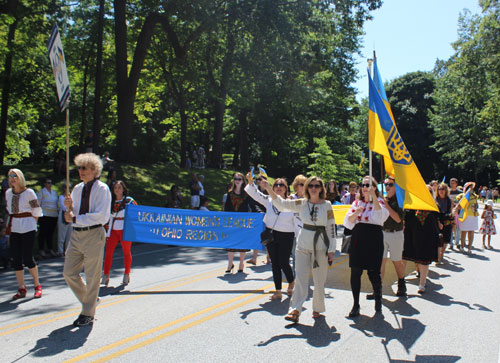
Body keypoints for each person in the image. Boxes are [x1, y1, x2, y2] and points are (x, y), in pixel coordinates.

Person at [263, 176, 336, 323]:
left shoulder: (327, 205)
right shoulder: (301, 203)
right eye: (311, 186)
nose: (313, 188)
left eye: (317, 186)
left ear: (321, 188)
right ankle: (295, 309)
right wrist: (268, 189)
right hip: (302, 245)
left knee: (319, 279)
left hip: (321, 246)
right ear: (307, 188)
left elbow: (332, 227)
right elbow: (282, 204)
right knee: (301, 278)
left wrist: (332, 249)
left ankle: (317, 308)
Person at [63, 153, 111, 327]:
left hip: (93, 234)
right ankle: (91, 299)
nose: (80, 171)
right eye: (79, 168)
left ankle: (87, 312)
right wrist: (68, 209)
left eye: (84, 168)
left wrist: (75, 218)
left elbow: (101, 216)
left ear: (94, 170)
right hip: (76, 235)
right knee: (68, 272)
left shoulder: (102, 189)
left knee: (92, 275)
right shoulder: (76, 189)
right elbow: (71, 214)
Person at [343, 176, 389, 317]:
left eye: (368, 185)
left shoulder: (380, 202)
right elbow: (348, 222)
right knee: (355, 271)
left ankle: (378, 299)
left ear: (374, 187)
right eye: (363, 185)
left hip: (373, 238)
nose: (364, 187)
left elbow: (380, 216)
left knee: (373, 272)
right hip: (359, 238)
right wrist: (356, 212)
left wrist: (373, 196)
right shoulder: (357, 203)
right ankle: (356, 304)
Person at [245, 173, 295, 300]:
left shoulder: (291, 202)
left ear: (286, 188)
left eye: (281, 185)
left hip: (286, 235)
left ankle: (291, 281)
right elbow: (255, 194)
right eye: (276, 185)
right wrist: (251, 182)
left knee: (284, 262)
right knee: (275, 264)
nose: (278, 187)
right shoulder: (268, 200)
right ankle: (278, 290)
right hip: (272, 235)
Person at [6, 169, 43, 300]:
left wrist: (33, 223)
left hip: (28, 226)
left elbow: (37, 210)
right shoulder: (8, 193)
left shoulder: (29, 193)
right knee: (16, 259)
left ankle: (37, 285)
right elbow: (10, 212)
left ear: (20, 178)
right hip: (15, 227)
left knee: (28, 257)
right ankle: (21, 287)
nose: (12, 179)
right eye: (10, 176)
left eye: (15, 176)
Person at [367, 177, 406, 299]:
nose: (387, 186)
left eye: (390, 184)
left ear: (396, 186)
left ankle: (401, 283)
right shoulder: (383, 199)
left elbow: (398, 218)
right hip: (383, 233)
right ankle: (377, 289)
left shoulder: (400, 201)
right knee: (381, 261)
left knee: (396, 261)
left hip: (396, 233)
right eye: (385, 184)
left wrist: (386, 204)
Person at [402, 186, 439, 294]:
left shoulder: (434, 206)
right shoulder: (412, 205)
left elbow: (441, 219)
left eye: (429, 192)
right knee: (404, 257)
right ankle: (401, 280)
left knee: (424, 260)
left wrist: (452, 214)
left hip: (428, 236)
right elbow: (406, 218)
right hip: (411, 235)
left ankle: (422, 284)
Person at [102, 180, 138, 286]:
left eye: (119, 188)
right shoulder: (110, 201)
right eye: (115, 188)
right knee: (108, 252)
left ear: (123, 189)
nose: (117, 190)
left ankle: (127, 273)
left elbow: (137, 212)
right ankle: (106, 275)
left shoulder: (129, 201)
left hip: (125, 229)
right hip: (112, 229)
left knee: (126, 251)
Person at [223, 172, 252, 273]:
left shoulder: (246, 194)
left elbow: (252, 206)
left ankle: (241, 263)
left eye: (239, 179)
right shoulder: (229, 194)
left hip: (243, 223)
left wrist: (259, 212)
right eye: (236, 179)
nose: (237, 181)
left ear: (243, 181)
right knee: (231, 244)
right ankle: (230, 264)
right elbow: (226, 208)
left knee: (242, 244)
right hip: (231, 222)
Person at [454, 182, 479, 254]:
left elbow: (476, 204)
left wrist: (476, 207)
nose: (471, 189)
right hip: (464, 215)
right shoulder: (461, 196)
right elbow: (458, 205)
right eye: (470, 187)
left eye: (472, 187)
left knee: (471, 231)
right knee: (464, 231)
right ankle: (462, 246)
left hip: (473, 215)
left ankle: (470, 247)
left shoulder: (475, 196)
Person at [36, 178, 59, 258]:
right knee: (43, 233)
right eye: (48, 183)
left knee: (50, 233)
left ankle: (50, 249)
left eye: (51, 183)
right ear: (44, 184)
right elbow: (38, 204)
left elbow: (57, 203)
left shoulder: (54, 193)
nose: (50, 184)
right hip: (44, 215)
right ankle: (41, 250)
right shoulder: (41, 192)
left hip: (53, 215)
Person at [436, 183, 454, 262]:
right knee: (438, 239)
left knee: (446, 239)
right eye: (439, 189)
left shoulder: (449, 200)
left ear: (446, 190)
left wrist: (453, 222)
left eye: (443, 189)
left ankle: (442, 253)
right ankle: (438, 255)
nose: (441, 191)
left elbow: (451, 212)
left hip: (447, 221)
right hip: (438, 221)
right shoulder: (435, 200)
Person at [57, 183, 73, 257]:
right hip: (63, 216)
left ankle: (67, 250)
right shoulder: (61, 197)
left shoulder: (71, 197)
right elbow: (64, 207)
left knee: (69, 235)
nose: (68, 190)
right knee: (62, 234)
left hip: (70, 216)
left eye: (69, 188)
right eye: (67, 188)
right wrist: (69, 207)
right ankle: (60, 250)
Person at [448, 178, 461, 250]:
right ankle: (450, 243)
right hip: (450, 212)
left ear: (456, 184)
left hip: (458, 212)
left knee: (458, 228)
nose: (452, 184)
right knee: (450, 228)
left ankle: (457, 242)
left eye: (454, 183)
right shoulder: (448, 192)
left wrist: (457, 208)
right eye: (451, 183)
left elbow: (462, 202)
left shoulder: (460, 192)